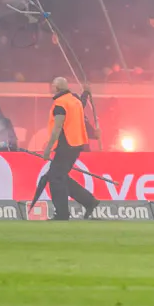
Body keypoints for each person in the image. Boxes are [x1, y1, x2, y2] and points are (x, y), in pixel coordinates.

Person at [38, 77, 100, 221]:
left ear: (56, 88)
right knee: (59, 176)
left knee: (55, 178)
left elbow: (57, 128)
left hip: (65, 146)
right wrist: (85, 93)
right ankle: (89, 201)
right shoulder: (74, 100)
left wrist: (48, 148)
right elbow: (82, 104)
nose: (51, 88)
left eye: (52, 85)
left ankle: (62, 214)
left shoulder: (60, 104)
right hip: (76, 146)